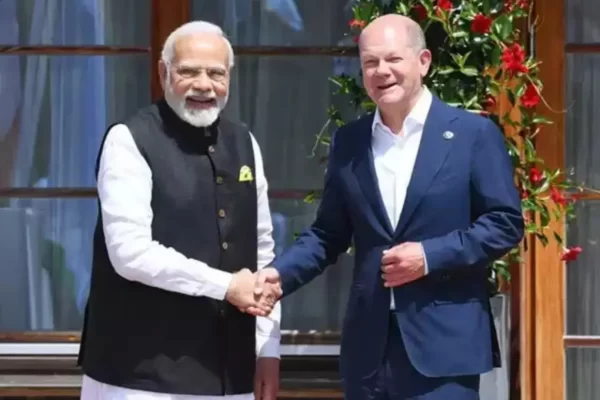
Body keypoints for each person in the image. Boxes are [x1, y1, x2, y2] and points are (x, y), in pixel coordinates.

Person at [252, 14, 524, 400]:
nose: (382, 71)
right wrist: (280, 276)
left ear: (423, 61)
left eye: (393, 59)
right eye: (370, 62)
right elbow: (329, 233)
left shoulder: (472, 134)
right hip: (369, 348)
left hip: (444, 350)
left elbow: (504, 223)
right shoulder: (351, 141)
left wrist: (429, 256)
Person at [78, 21, 282, 400]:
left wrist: (268, 348)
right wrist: (227, 287)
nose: (204, 84)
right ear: (163, 73)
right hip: (139, 379)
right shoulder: (128, 139)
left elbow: (262, 250)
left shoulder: (245, 142)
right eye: (188, 71)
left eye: (216, 73)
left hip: (231, 374)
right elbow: (130, 254)